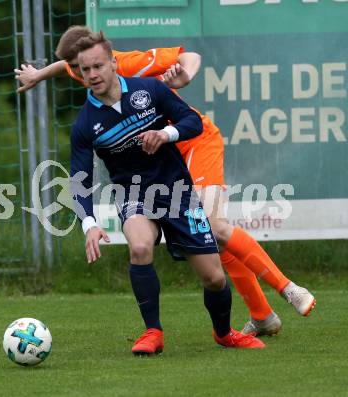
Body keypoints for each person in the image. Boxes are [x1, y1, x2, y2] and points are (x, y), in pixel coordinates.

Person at [15, 26, 316, 336]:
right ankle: (263, 316)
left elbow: (191, 56)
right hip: (158, 159)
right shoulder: (87, 68)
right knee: (210, 241)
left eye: (83, 67)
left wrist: (185, 76)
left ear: (110, 61)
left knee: (214, 227)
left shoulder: (127, 65)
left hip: (192, 141)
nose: (81, 74)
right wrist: (39, 76)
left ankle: (289, 288)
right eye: (76, 68)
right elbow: (64, 66)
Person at [68, 31, 265, 353]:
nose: (91, 75)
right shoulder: (85, 123)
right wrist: (89, 224)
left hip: (177, 192)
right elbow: (79, 178)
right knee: (141, 247)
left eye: (97, 66)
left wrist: (166, 133)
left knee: (214, 278)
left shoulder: (150, 89)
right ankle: (152, 333)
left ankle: (224, 332)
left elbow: (192, 122)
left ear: (114, 63)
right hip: (135, 195)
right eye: (84, 69)